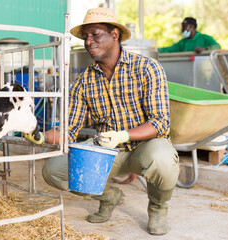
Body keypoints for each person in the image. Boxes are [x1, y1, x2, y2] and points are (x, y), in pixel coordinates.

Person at [24, 7, 179, 235]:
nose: (88, 41)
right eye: (86, 36)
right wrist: (40, 135)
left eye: (95, 34)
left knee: (163, 159)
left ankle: (157, 208)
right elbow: (69, 130)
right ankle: (108, 196)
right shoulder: (84, 81)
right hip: (106, 152)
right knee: (54, 170)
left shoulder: (147, 68)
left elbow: (160, 123)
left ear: (114, 34)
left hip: (145, 146)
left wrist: (124, 135)